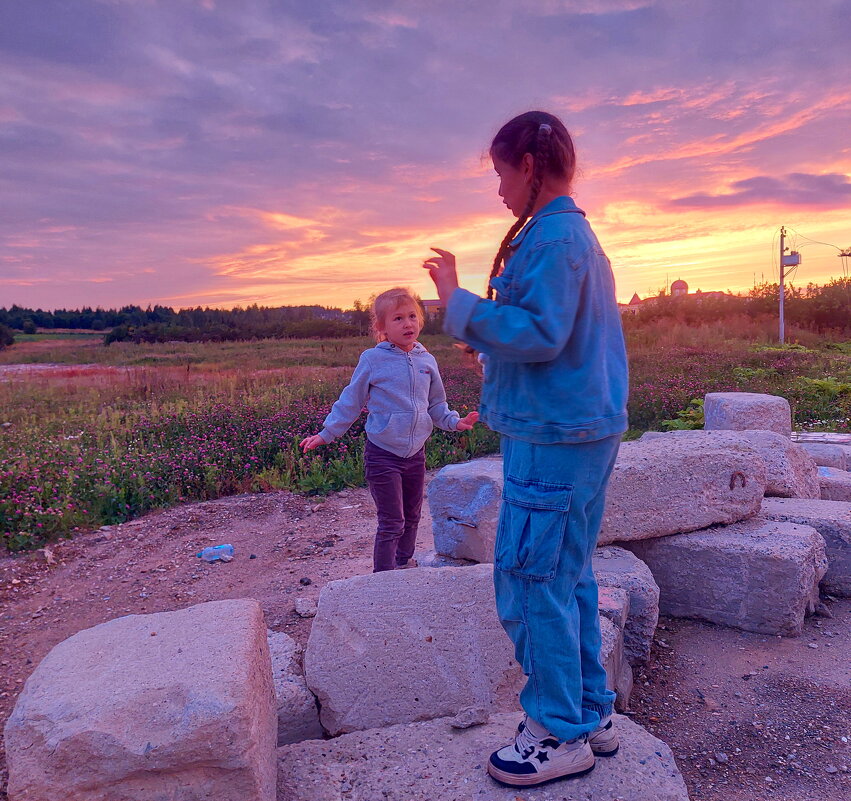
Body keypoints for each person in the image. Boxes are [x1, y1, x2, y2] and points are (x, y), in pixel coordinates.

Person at [423, 111, 629, 788]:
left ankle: (556, 731)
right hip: (574, 429)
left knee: (531, 578)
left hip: (552, 436)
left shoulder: (552, 239)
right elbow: (550, 337)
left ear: (529, 167)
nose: (499, 190)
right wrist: (488, 334)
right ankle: (588, 709)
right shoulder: (572, 236)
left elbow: (539, 332)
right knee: (566, 575)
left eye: (501, 173)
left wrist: (456, 302)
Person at [300, 288, 478, 573]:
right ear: (381, 328)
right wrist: (326, 433)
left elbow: (436, 405)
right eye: (397, 318)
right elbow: (351, 400)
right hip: (383, 453)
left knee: (412, 515)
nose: (407, 324)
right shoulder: (372, 360)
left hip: (415, 454)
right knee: (392, 520)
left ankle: (403, 563)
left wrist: (456, 422)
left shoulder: (426, 360)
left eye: (412, 316)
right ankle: (382, 578)